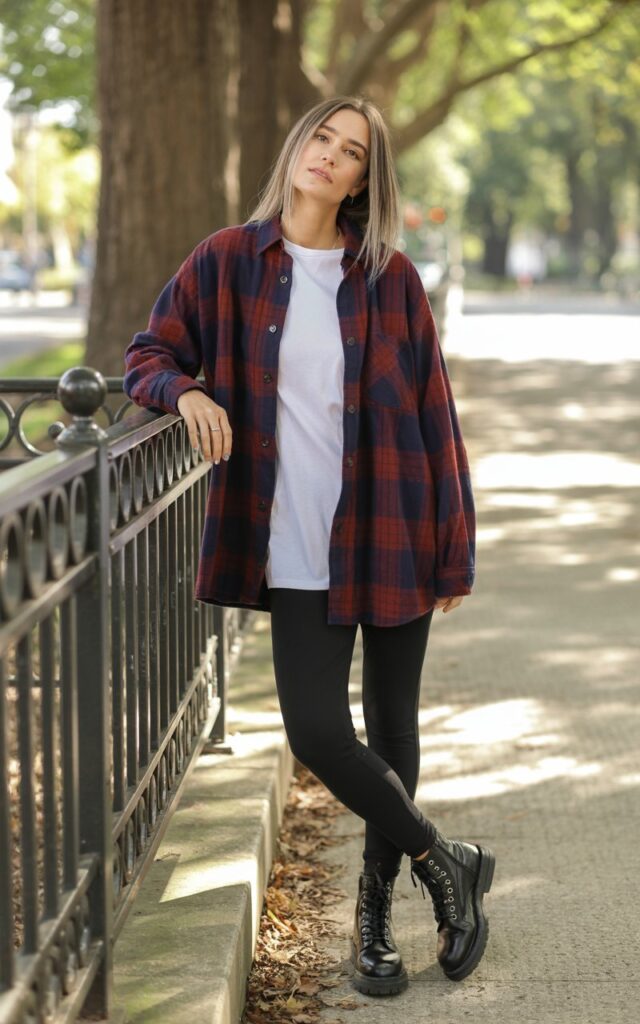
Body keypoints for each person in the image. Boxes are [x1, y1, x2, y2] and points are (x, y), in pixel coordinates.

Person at [123, 94, 495, 998]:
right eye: (321, 137)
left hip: (394, 526)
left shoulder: (390, 277)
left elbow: (434, 414)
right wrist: (190, 395)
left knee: (394, 731)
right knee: (319, 730)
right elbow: (145, 357)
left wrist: (456, 545)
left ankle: (373, 920)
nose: (329, 156)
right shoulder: (225, 262)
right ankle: (446, 861)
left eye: (351, 151)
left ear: (367, 181)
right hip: (290, 536)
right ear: (297, 148)